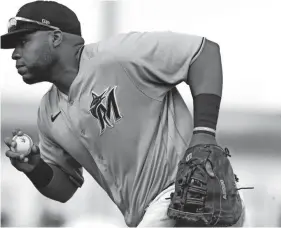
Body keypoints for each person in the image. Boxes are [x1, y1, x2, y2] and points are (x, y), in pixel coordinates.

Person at [1, 1, 247, 227]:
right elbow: (65, 189)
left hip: (187, 192)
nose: (14, 54)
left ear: (55, 37)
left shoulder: (119, 55)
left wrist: (204, 133)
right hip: (149, 214)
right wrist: (35, 168)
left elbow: (203, 53)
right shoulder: (48, 112)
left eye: (23, 42)